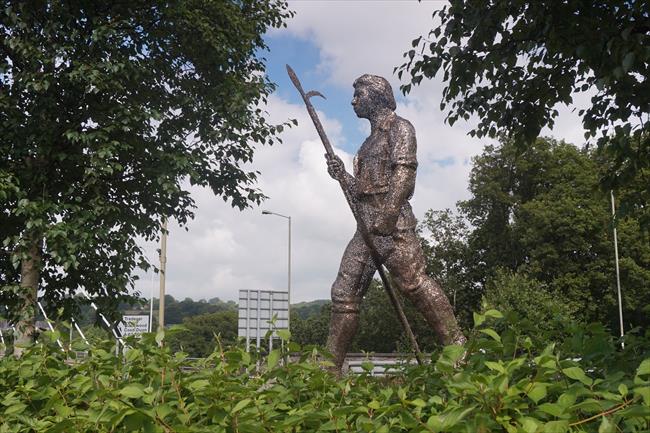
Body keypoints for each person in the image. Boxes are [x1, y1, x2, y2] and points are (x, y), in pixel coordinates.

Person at [325, 74, 466, 371]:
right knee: (344, 293)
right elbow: (361, 192)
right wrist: (342, 176)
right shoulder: (367, 144)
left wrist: (388, 217)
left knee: (413, 283)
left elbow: (404, 175)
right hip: (365, 227)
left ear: (376, 96)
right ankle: (328, 369)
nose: (353, 101)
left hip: (393, 224)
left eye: (358, 94)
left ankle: (458, 351)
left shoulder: (400, 128)